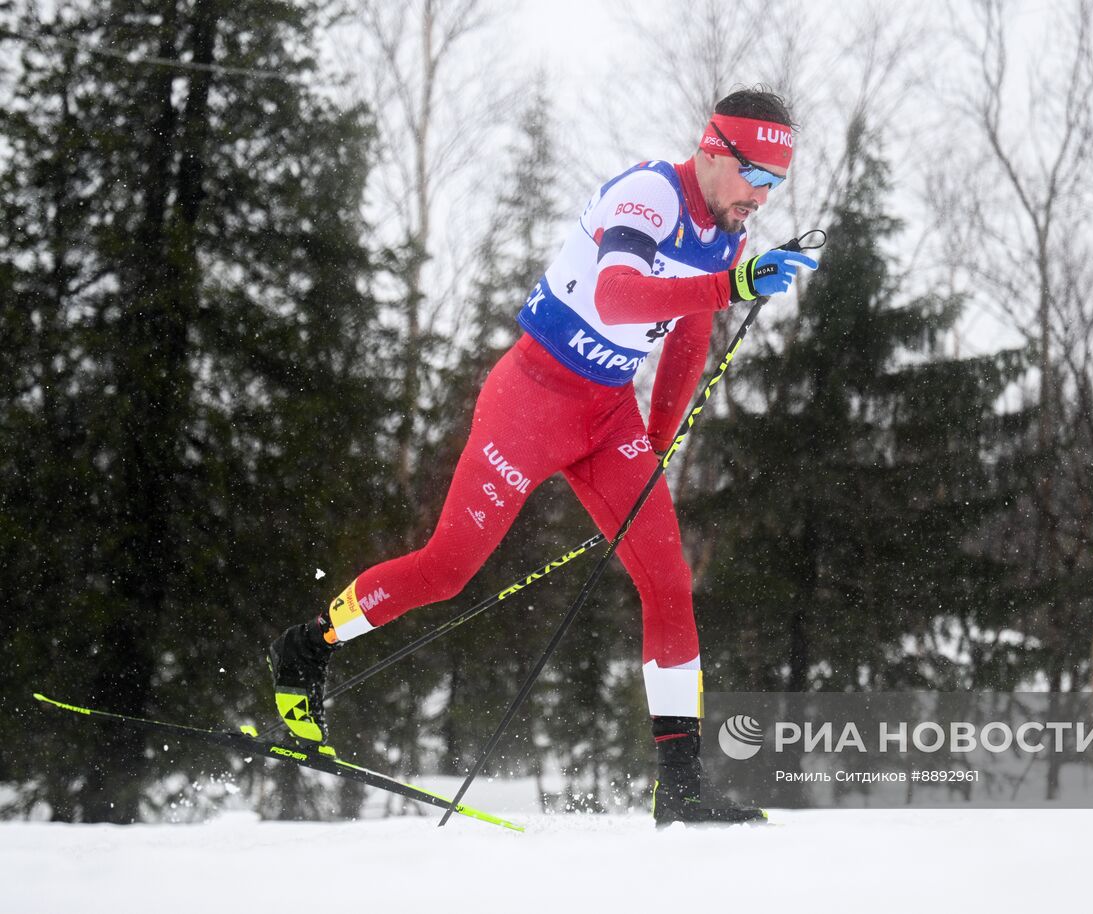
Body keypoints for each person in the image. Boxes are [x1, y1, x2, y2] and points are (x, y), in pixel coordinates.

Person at [268, 86, 818, 826]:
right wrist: (734, 287)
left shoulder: (725, 234)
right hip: (531, 399)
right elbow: (619, 296)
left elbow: (688, 333)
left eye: (777, 185)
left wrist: (655, 444)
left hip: (608, 413)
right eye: (757, 175)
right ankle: (308, 647)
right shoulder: (650, 193)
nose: (762, 196)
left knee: (668, 580)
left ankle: (680, 786)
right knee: (447, 569)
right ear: (716, 149)